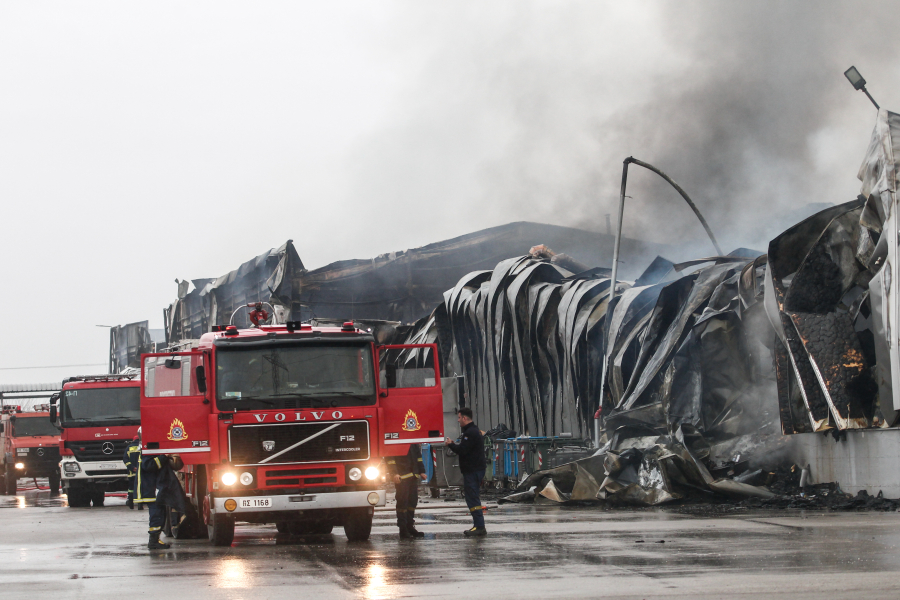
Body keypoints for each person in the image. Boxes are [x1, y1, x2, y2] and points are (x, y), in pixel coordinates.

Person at [446, 407, 487, 537]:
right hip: (475, 470)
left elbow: (463, 450)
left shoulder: (470, 433)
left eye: (459, 418)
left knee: (472, 498)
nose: (458, 420)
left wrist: (450, 445)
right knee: (472, 498)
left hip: (472, 470)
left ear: (464, 418)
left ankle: (479, 526)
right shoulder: (473, 431)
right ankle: (478, 525)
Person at [385, 444, 428, 539]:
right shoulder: (394, 441)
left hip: (413, 476)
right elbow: (390, 459)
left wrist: (421, 471)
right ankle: (403, 529)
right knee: (402, 502)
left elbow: (418, 457)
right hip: (402, 477)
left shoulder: (413, 443)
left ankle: (410, 526)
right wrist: (394, 473)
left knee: (412, 502)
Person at [123, 434, 143, 510]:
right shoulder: (142, 447)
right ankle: (140, 505)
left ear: (133, 440)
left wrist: (131, 467)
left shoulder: (129, 447)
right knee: (140, 488)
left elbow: (125, 459)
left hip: (132, 473)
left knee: (131, 488)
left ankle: (131, 503)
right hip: (141, 472)